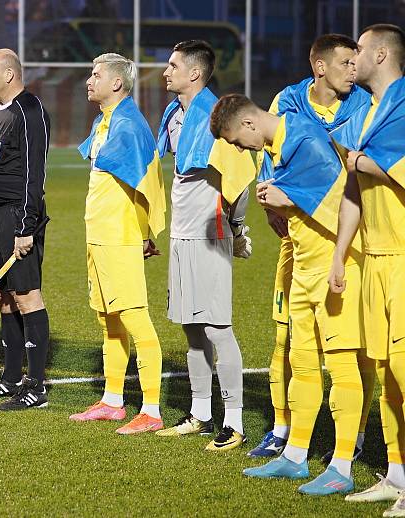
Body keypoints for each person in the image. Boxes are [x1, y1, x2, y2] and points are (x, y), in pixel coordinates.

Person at [210, 93, 367, 494]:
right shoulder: (278, 148)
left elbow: (346, 209)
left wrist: (288, 199)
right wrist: (279, 206)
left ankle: (343, 465)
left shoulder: (306, 141)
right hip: (302, 268)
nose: (238, 148)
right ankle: (295, 456)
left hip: (336, 268)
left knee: (342, 366)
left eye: (234, 140)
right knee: (302, 364)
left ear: (248, 124)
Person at [248, 34, 375, 459]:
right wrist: (271, 208)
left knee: (356, 345)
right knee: (285, 336)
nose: (352, 70)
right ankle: (283, 429)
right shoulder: (287, 100)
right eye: (344, 63)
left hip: (353, 236)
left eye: (355, 62)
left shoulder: (362, 103)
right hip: (298, 239)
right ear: (319, 66)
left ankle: (353, 438)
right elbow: (267, 158)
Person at [153, 40, 254, 451]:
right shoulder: (175, 113)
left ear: (195, 73)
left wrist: (238, 229)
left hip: (210, 234)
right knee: (192, 329)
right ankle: (201, 412)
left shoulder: (217, 115)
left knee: (217, 328)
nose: (166, 71)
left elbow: (240, 174)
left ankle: (234, 420)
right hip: (182, 234)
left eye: (173, 65)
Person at [326, 24, 405, 516]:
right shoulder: (368, 112)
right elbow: (355, 189)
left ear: (380, 53)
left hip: (404, 256)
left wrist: (363, 162)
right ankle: (395, 473)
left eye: (357, 48)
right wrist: (340, 252)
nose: (351, 57)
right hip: (373, 258)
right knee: (385, 373)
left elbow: (373, 168)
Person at [68, 53, 166, 434]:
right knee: (108, 320)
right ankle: (112, 401)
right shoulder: (105, 121)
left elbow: (146, 182)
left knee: (135, 318)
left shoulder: (129, 125)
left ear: (117, 84)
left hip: (119, 237)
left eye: (96, 75)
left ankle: (152, 410)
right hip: (98, 235)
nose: (89, 81)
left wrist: (144, 233)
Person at [0, 49, 51, 411]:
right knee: (4, 297)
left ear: (8, 74)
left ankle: (36, 386)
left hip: (16, 218)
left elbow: (34, 174)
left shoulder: (29, 110)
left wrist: (25, 226)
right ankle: (10, 378)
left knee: (26, 295)